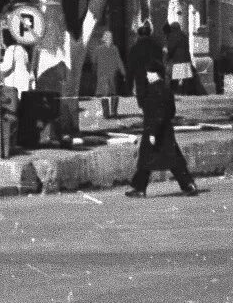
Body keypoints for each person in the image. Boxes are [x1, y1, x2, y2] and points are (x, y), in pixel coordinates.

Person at [124, 21, 199, 198]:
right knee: (172, 159)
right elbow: (170, 111)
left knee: (148, 157)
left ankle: (140, 187)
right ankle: (186, 184)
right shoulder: (157, 49)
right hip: (164, 127)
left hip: (154, 125)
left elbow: (131, 72)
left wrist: (152, 129)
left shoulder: (136, 51)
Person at [81, 26, 126, 102]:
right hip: (110, 73)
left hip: (103, 73)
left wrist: (94, 70)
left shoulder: (99, 49)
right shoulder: (114, 49)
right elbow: (119, 62)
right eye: (109, 38)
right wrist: (124, 73)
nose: (110, 39)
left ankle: (106, 112)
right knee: (111, 92)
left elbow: (93, 61)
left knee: (104, 93)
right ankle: (111, 112)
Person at [164, 22, 201, 96]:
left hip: (177, 59)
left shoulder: (172, 36)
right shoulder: (184, 35)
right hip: (186, 58)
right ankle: (185, 92)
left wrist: (167, 57)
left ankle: (176, 92)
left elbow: (171, 48)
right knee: (185, 78)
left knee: (175, 77)